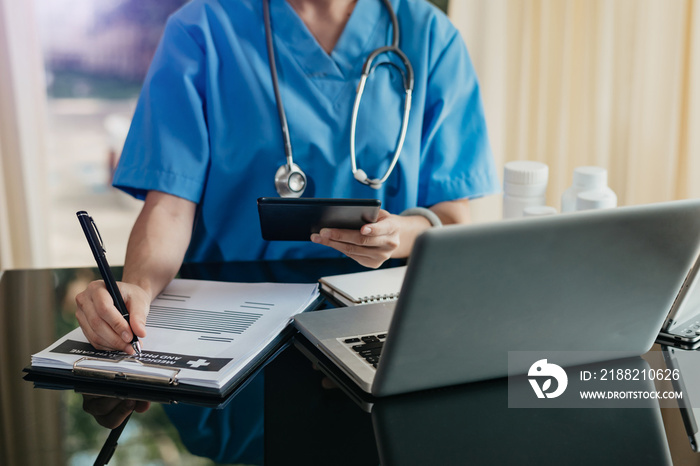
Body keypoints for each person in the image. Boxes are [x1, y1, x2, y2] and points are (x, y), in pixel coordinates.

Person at [75, 0, 499, 353]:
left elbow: (449, 218)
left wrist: (394, 235)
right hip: (227, 320)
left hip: (382, 321)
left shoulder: (430, 36)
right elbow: (168, 206)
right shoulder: (201, 27)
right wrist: (137, 291)